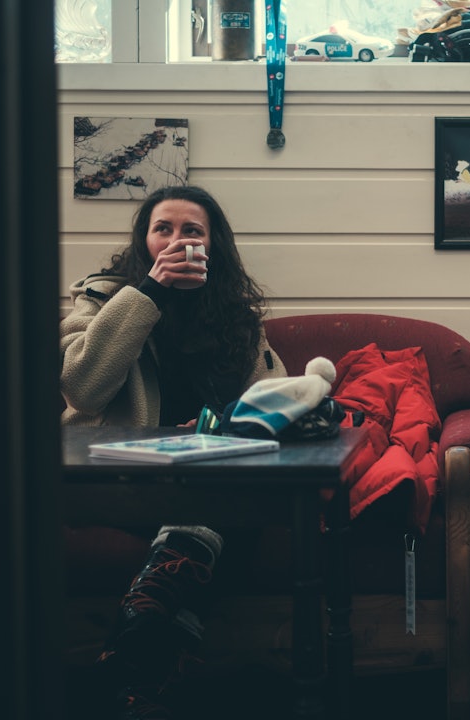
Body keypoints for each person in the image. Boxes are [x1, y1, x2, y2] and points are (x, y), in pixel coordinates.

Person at [60, 184, 287, 719]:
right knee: (227, 516)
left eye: (192, 231)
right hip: (122, 478)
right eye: (164, 228)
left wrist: (221, 426)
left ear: (213, 246)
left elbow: (268, 406)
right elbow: (82, 388)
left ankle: (134, 674)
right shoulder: (100, 299)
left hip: (209, 478)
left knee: (240, 501)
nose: (177, 240)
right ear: (144, 240)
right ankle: (148, 669)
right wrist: (149, 294)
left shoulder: (235, 318)